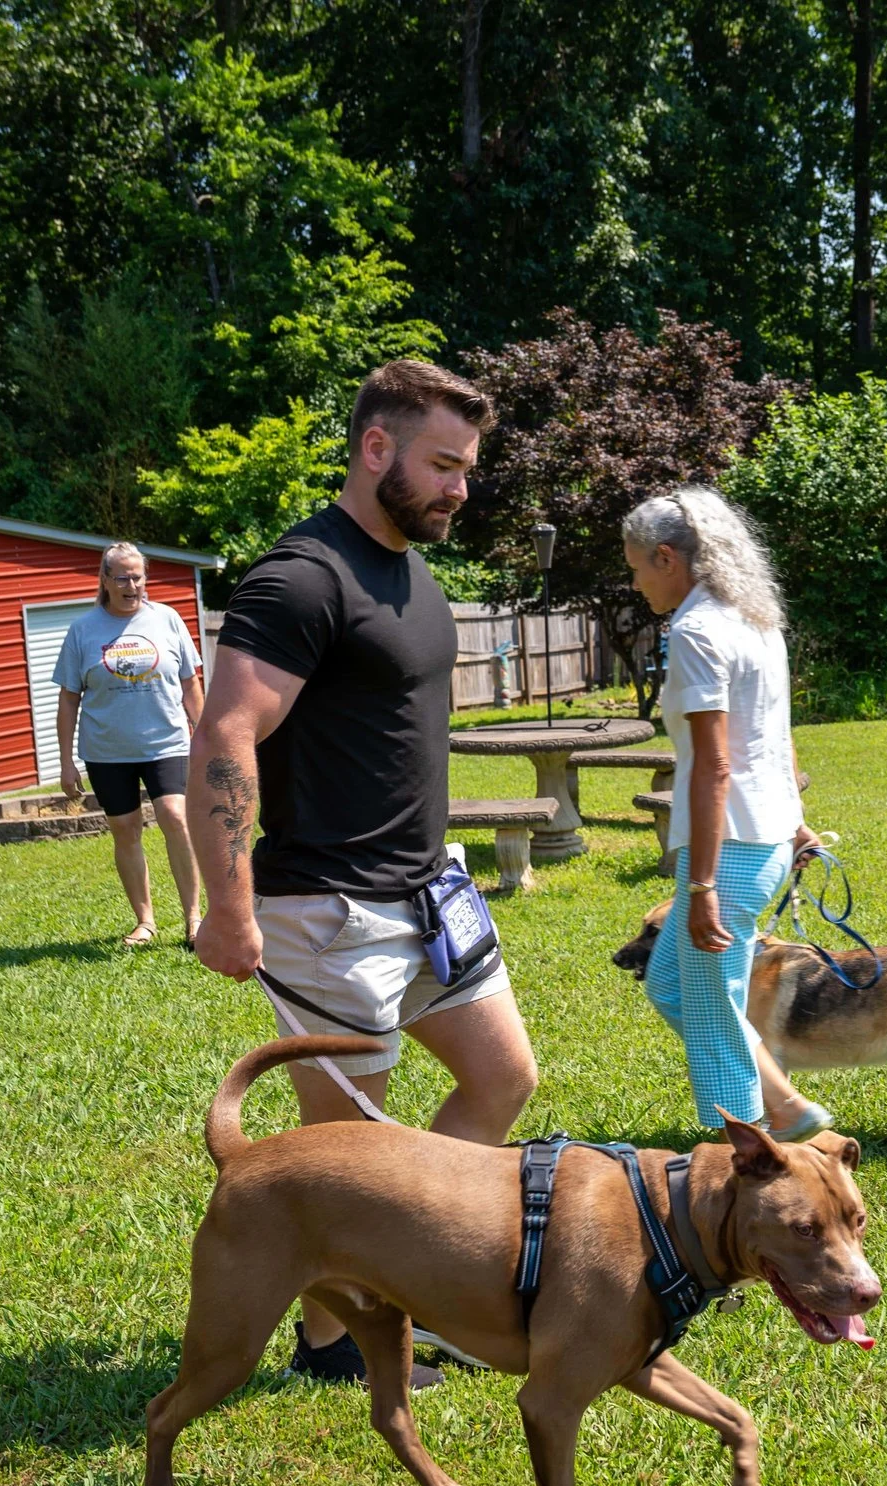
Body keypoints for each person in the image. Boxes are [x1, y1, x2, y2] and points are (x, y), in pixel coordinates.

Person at [189, 359, 539, 1389]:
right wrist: (227, 900)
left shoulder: (410, 570)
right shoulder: (302, 576)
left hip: (430, 895)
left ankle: (411, 1291)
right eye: (443, 465)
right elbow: (225, 732)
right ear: (375, 448)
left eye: (468, 469)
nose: (459, 490)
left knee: (501, 1074)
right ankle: (334, 1344)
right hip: (328, 908)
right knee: (344, 1155)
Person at [623, 487, 834, 1140]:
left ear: (667, 557)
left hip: (732, 851)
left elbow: (714, 766)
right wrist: (795, 817)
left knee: (714, 1015)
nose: (635, 583)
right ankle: (786, 1106)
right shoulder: (754, 617)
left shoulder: (696, 630)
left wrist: (702, 885)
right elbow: (776, 733)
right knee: (671, 985)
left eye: (635, 567)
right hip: (763, 837)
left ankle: (740, 1162)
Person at [54, 543, 206, 948]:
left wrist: (204, 734)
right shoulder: (83, 630)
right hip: (107, 749)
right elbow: (69, 697)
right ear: (104, 581)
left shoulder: (167, 619)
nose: (131, 584)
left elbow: (190, 681)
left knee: (175, 816)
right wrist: (67, 761)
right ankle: (146, 922)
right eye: (121, 577)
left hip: (167, 741)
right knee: (125, 829)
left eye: (137, 576)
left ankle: (194, 919)